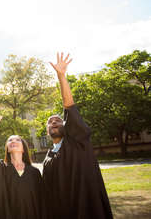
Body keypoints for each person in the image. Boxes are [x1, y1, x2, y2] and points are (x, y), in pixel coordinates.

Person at [43, 53, 113, 219]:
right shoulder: (47, 160)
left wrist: (61, 77)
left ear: (67, 126)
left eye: (58, 120)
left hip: (89, 210)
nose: (54, 122)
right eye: (50, 122)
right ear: (47, 131)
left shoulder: (78, 142)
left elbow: (69, 107)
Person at [0, 112, 46, 219]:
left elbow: (42, 201)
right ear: (7, 149)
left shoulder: (34, 173)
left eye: (17, 140)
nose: (13, 141)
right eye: (10, 140)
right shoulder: (1, 170)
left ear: (23, 148)